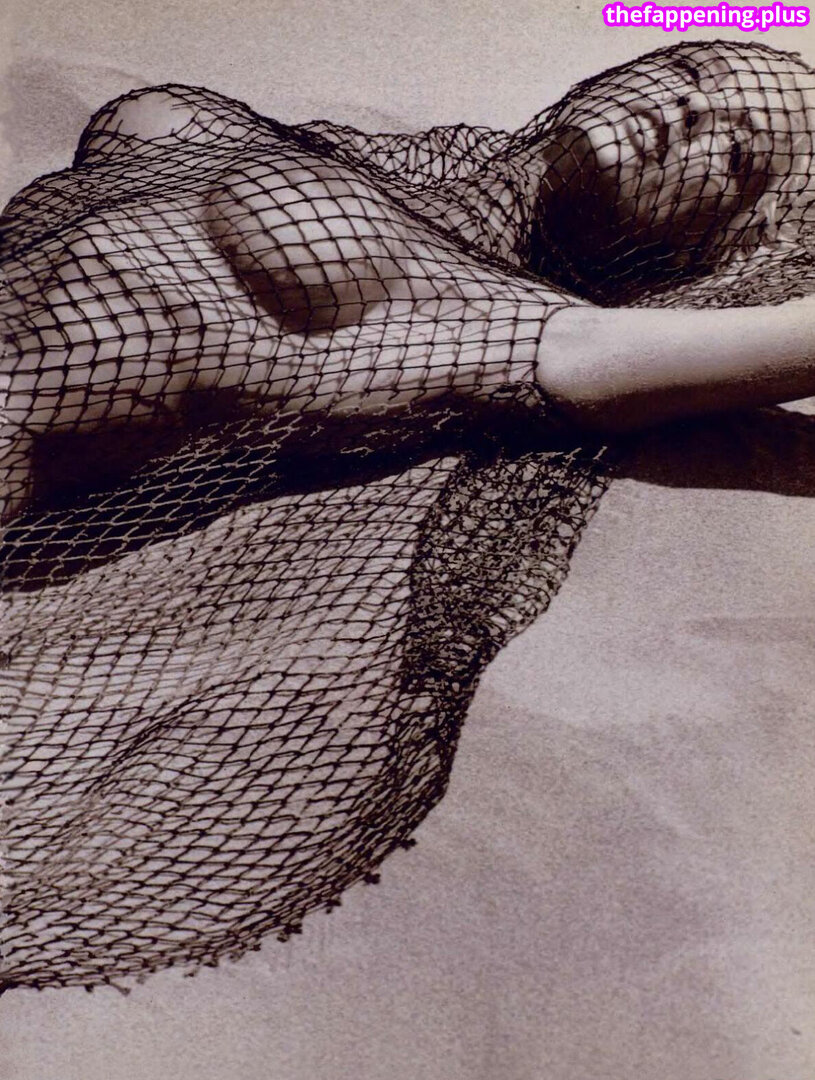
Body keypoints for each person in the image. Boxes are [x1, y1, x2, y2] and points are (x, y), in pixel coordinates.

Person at [2, 38, 815, 527]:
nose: (689, 112)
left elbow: (598, 354)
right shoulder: (246, 136)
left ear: (710, 248)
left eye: (736, 151)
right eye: (685, 71)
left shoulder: (485, 324)